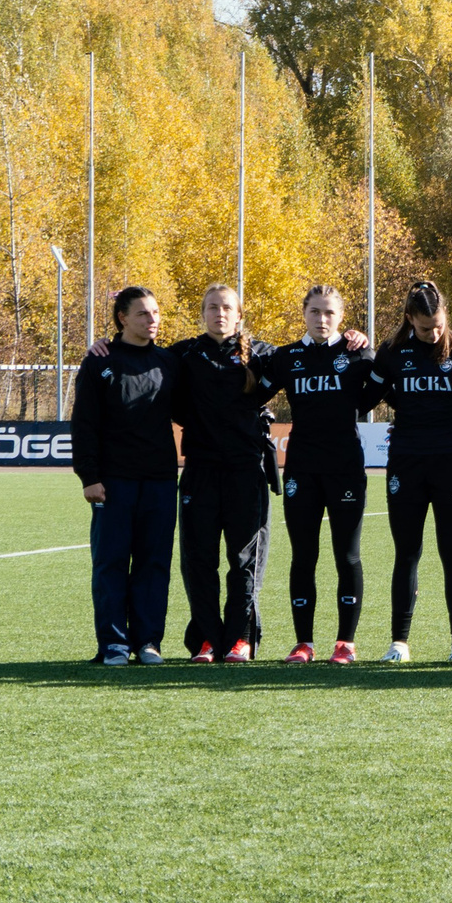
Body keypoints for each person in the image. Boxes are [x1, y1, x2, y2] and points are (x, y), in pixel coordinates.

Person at [252, 284, 381, 662]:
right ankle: (304, 642)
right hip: (302, 469)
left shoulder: (358, 355)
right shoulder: (287, 357)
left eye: (329, 313)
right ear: (304, 314)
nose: (322, 319)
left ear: (341, 317)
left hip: (344, 467)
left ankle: (345, 642)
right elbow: (249, 393)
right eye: (315, 312)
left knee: (348, 556)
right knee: (303, 555)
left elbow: (382, 391)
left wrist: (368, 344)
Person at [373, 281, 452, 663]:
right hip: (406, 460)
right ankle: (399, 642)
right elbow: (374, 391)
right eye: (424, 328)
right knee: (407, 553)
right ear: (409, 320)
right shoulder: (392, 353)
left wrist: (442, 418)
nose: (433, 333)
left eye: (438, 325)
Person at [72, 285, 179, 665]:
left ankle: (148, 642)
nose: (152, 320)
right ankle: (114, 644)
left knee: (154, 564)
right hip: (113, 481)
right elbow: (84, 424)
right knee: (111, 563)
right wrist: (89, 476)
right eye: (142, 314)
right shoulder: (100, 362)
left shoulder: (169, 361)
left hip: (161, 480)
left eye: (155, 313)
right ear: (122, 319)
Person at [170, 283, 276, 663]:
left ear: (239, 314)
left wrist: (354, 339)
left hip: (246, 472)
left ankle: (240, 638)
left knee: (245, 559)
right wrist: (107, 345)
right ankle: (206, 639)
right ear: (202, 313)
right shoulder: (184, 354)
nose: (219, 314)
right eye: (212, 307)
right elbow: (139, 361)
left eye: (227, 308)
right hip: (199, 470)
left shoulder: (262, 354)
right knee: (199, 559)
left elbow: (307, 358)